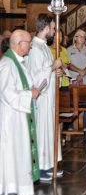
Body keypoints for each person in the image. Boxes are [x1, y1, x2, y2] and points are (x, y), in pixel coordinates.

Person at [0, 30, 40, 195]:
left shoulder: (18, 62)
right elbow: (7, 93)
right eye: (28, 42)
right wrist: (29, 95)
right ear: (18, 44)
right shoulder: (7, 64)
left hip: (20, 116)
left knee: (19, 152)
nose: (30, 44)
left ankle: (18, 187)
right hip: (12, 118)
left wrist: (33, 91)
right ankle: (9, 189)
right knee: (11, 153)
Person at [27, 13, 62, 181]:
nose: (55, 32)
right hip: (41, 99)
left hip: (49, 98)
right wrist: (52, 67)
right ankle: (40, 167)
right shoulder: (34, 48)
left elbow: (48, 71)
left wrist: (56, 71)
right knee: (42, 132)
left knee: (49, 131)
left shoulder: (44, 47)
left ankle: (48, 163)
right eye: (53, 29)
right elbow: (35, 79)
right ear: (46, 28)